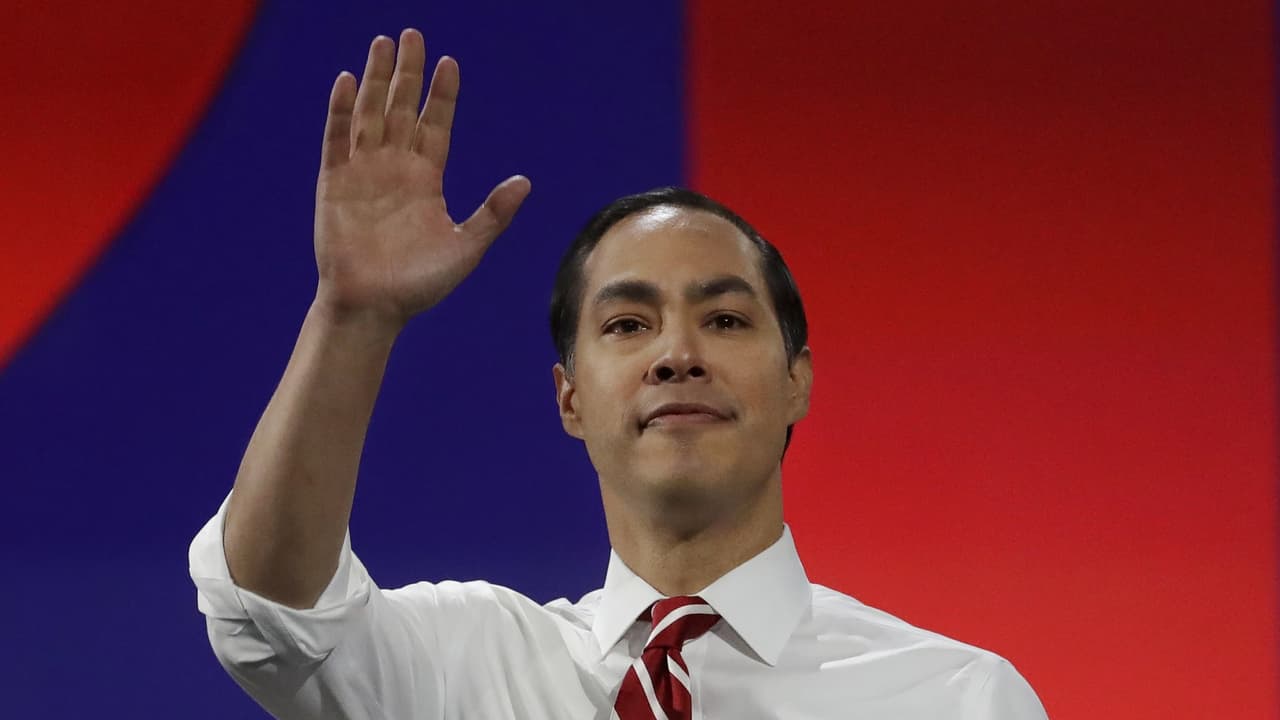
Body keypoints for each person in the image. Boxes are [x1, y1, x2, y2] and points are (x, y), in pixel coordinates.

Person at [189, 28, 1048, 719]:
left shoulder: (956, 699)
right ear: (569, 398)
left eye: (725, 320)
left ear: (798, 381)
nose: (677, 354)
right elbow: (269, 609)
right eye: (628, 325)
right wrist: (352, 319)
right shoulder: (463, 670)